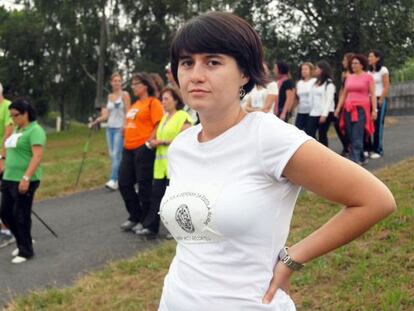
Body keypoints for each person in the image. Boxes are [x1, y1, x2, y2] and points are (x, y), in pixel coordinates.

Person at [158, 12, 395, 310]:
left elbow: (375, 200)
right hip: (175, 300)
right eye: (186, 62)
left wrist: (293, 257)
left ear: (245, 73)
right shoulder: (182, 146)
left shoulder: (267, 136)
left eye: (213, 62)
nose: (196, 75)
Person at [136, 87, 193, 237]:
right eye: (162, 99)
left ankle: (178, 229)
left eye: (167, 99)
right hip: (161, 167)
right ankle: (151, 227)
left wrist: (162, 142)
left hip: (175, 166)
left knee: (175, 198)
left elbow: (185, 137)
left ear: (175, 100)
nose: (163, 102)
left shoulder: (182, 116)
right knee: (156, 196)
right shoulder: (163, 119)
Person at [0, 99, 46, 264]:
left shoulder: (35, 130)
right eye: (11, 116)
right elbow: (9, 150)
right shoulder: (17, 129)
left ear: (26, 113)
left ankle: (26, 250)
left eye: (16, 115)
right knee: (5, 213)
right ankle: (22, 241)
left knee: (21, 214)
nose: (13, 119)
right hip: (9, 177)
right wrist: (2, 160)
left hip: (25, 179)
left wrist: (26, 177)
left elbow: (37, 156)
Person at [118, 72, 164, 233]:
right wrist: (125, 129)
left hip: (142, 148)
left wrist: (147, 143)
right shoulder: (135, 105)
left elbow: (159, 124)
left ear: (145, 85)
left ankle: (145, 220)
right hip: (128, 148)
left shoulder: (153, 103)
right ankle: (134, 215)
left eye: (136, 84)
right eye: (132, 84)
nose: (133, 87)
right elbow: (130, 122)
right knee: (124, 183)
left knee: (144, 186)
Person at [90, 73, 131, 191]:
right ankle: (122, 178)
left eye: (119, 81)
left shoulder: (125, 95)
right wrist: (96, 121)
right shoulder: (109, 96)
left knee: (116, 154)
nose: (117, 83)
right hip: (110, 128)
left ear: (121, 82)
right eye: (115, 81)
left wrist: (125, 126)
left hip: (120, 128)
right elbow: (107, 114)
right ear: (111, 82)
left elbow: (128, 112)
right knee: (113, 155)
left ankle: (113, 179)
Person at [335, 54, 377, 165]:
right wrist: (338, 108)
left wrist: (374, 110)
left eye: (356, 63)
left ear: (362, 65)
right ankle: (362, 157)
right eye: (352, 63)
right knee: (349, 134)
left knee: (357, 134)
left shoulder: (368, 77)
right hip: (348, 109)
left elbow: (372, 94)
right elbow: (344, 94)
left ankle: (355, 161)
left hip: (361, 109)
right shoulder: (349, 77)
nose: (353, 65)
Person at [306, 60, 336, 146]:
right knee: (309, 133)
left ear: (322, 70)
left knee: (322, 135)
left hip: (324, 113)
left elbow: (329, 100)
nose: (315, 70)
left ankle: (325, 155)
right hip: (314, 112)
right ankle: (314, 151)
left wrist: (324, 114)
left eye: (316, 68)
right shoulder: (315, 82)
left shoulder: (329, 83)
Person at [0, 82, 15, 249]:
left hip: (5, 154)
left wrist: (2, 156)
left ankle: (7, 231)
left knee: (7, 194)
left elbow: (8, 132)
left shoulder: (7, 106)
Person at [368, 50, 389, 159]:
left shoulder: (383, 70)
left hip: (379, 99)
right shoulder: (368, 72)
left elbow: (386, 86)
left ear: (377, 58)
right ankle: (370, 148)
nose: (369, 58)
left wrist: (381, 100)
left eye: (371, 56)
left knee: (377, 125)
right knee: (369, 125)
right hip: (369, 99)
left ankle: (378, 149)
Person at [335, 53, 354, 156]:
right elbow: (342, 89)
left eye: (345, 60)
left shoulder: (352, 75)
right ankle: (347, 145)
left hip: (351, 103)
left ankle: (352, 147)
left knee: (350, 126)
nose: (343, 62)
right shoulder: (344, 74)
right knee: (339, 124)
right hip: (343, 102)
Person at [295, 62, 316, 131]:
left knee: (309, 132)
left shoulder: (314, 81)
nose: (303, 71)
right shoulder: (299, 83)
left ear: (311, 70)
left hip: (311, 111)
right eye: (302, 69)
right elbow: (297, 97)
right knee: (298, 131)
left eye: (306, 69)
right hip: (301, 111)